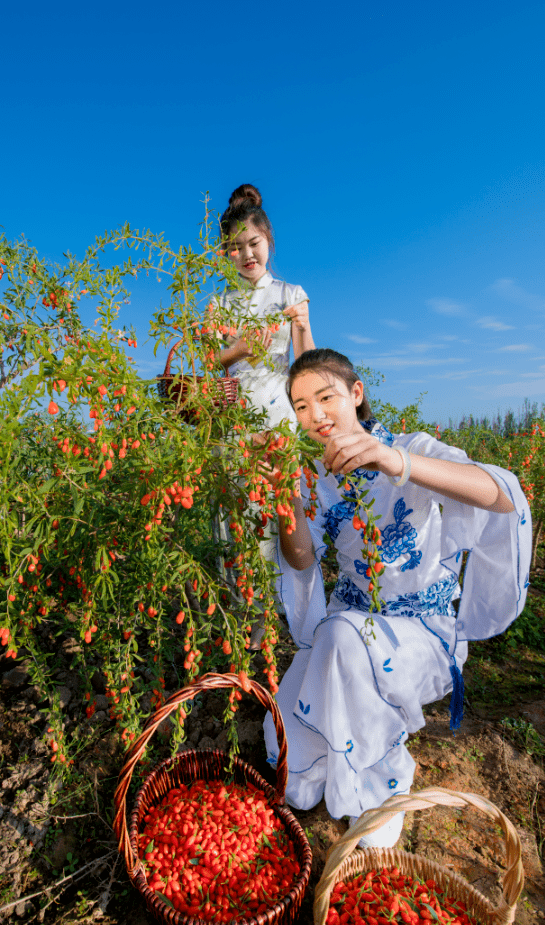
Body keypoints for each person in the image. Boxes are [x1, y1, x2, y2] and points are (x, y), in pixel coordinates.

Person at [263, 348, 532, 847]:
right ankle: (335, 764)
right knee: (294, 761)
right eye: (300, 406)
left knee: (340, 640)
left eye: (326, 397)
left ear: (356, 393)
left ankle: (379, 786)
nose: (315, 414)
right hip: (349, 626)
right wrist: (283, 495)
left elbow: (499, 494)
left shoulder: (412, 447)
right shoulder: (316, 479)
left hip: (420, 631)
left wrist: (396, 461)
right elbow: (301, 559)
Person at [215, 183, 315, 429]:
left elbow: (307, 366)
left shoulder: (291, 295)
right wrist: (238, 351)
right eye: (236, 248)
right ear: (226, 251)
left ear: (268, 239)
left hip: (279, 411)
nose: (247, 254)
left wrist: (303, 326)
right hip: (230, 415)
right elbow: (208, 362)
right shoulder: (219, 303)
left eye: (254, 243)